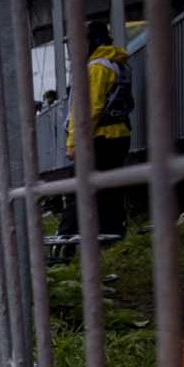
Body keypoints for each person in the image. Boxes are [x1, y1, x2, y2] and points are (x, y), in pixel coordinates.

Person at [65, 19, 134, 239]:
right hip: (120, 134)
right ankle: (112, 233)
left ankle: (65, 240)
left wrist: (73, 142)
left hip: (99, 137)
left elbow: (89, 109)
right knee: (110, 189)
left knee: (83, 189)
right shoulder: (117, 63)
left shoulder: (96, 68)